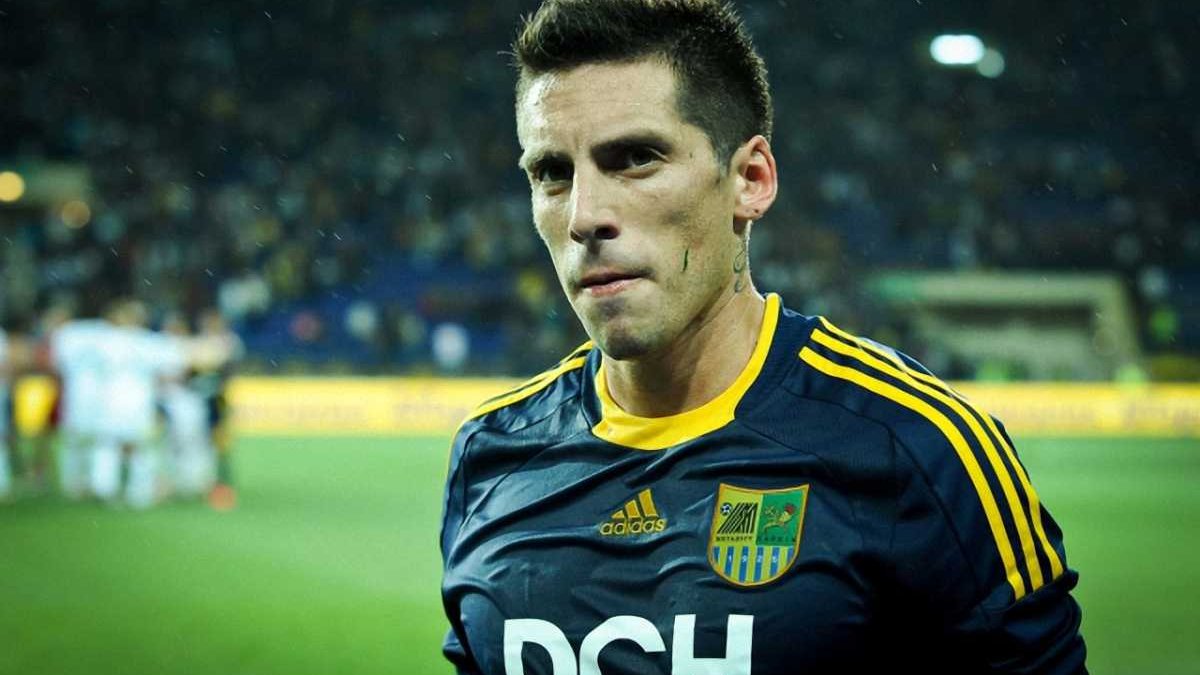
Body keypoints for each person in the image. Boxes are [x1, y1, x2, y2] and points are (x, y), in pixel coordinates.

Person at [439, 1, 1087, 673]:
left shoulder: (916, 448)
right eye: (552, 173)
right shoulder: (490, 457)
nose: (584, 216)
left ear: (750, 181)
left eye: (635, 158)